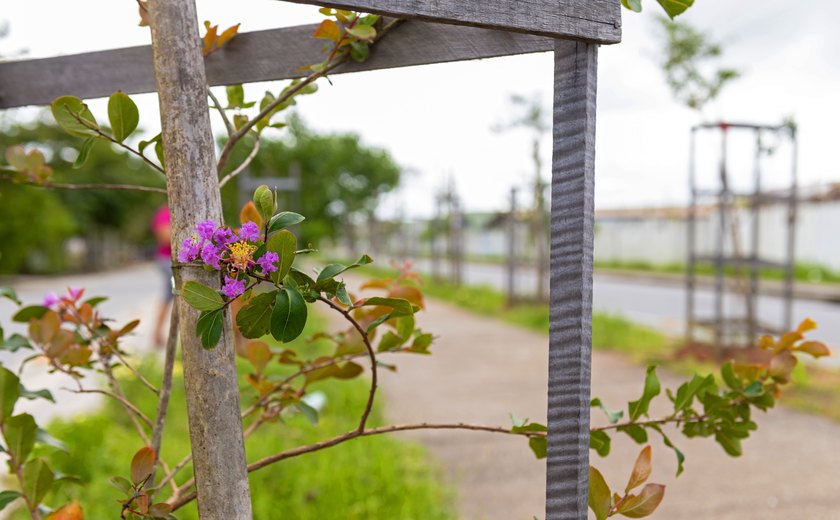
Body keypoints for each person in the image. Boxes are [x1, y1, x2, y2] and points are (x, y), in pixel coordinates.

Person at [151, 205, 173, 347]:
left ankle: (157, 333)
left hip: (179, 260)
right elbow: (166, 237)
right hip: (168, 260)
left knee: (170, 295)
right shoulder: (165, 212)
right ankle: (157, 333)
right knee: (169, 294)